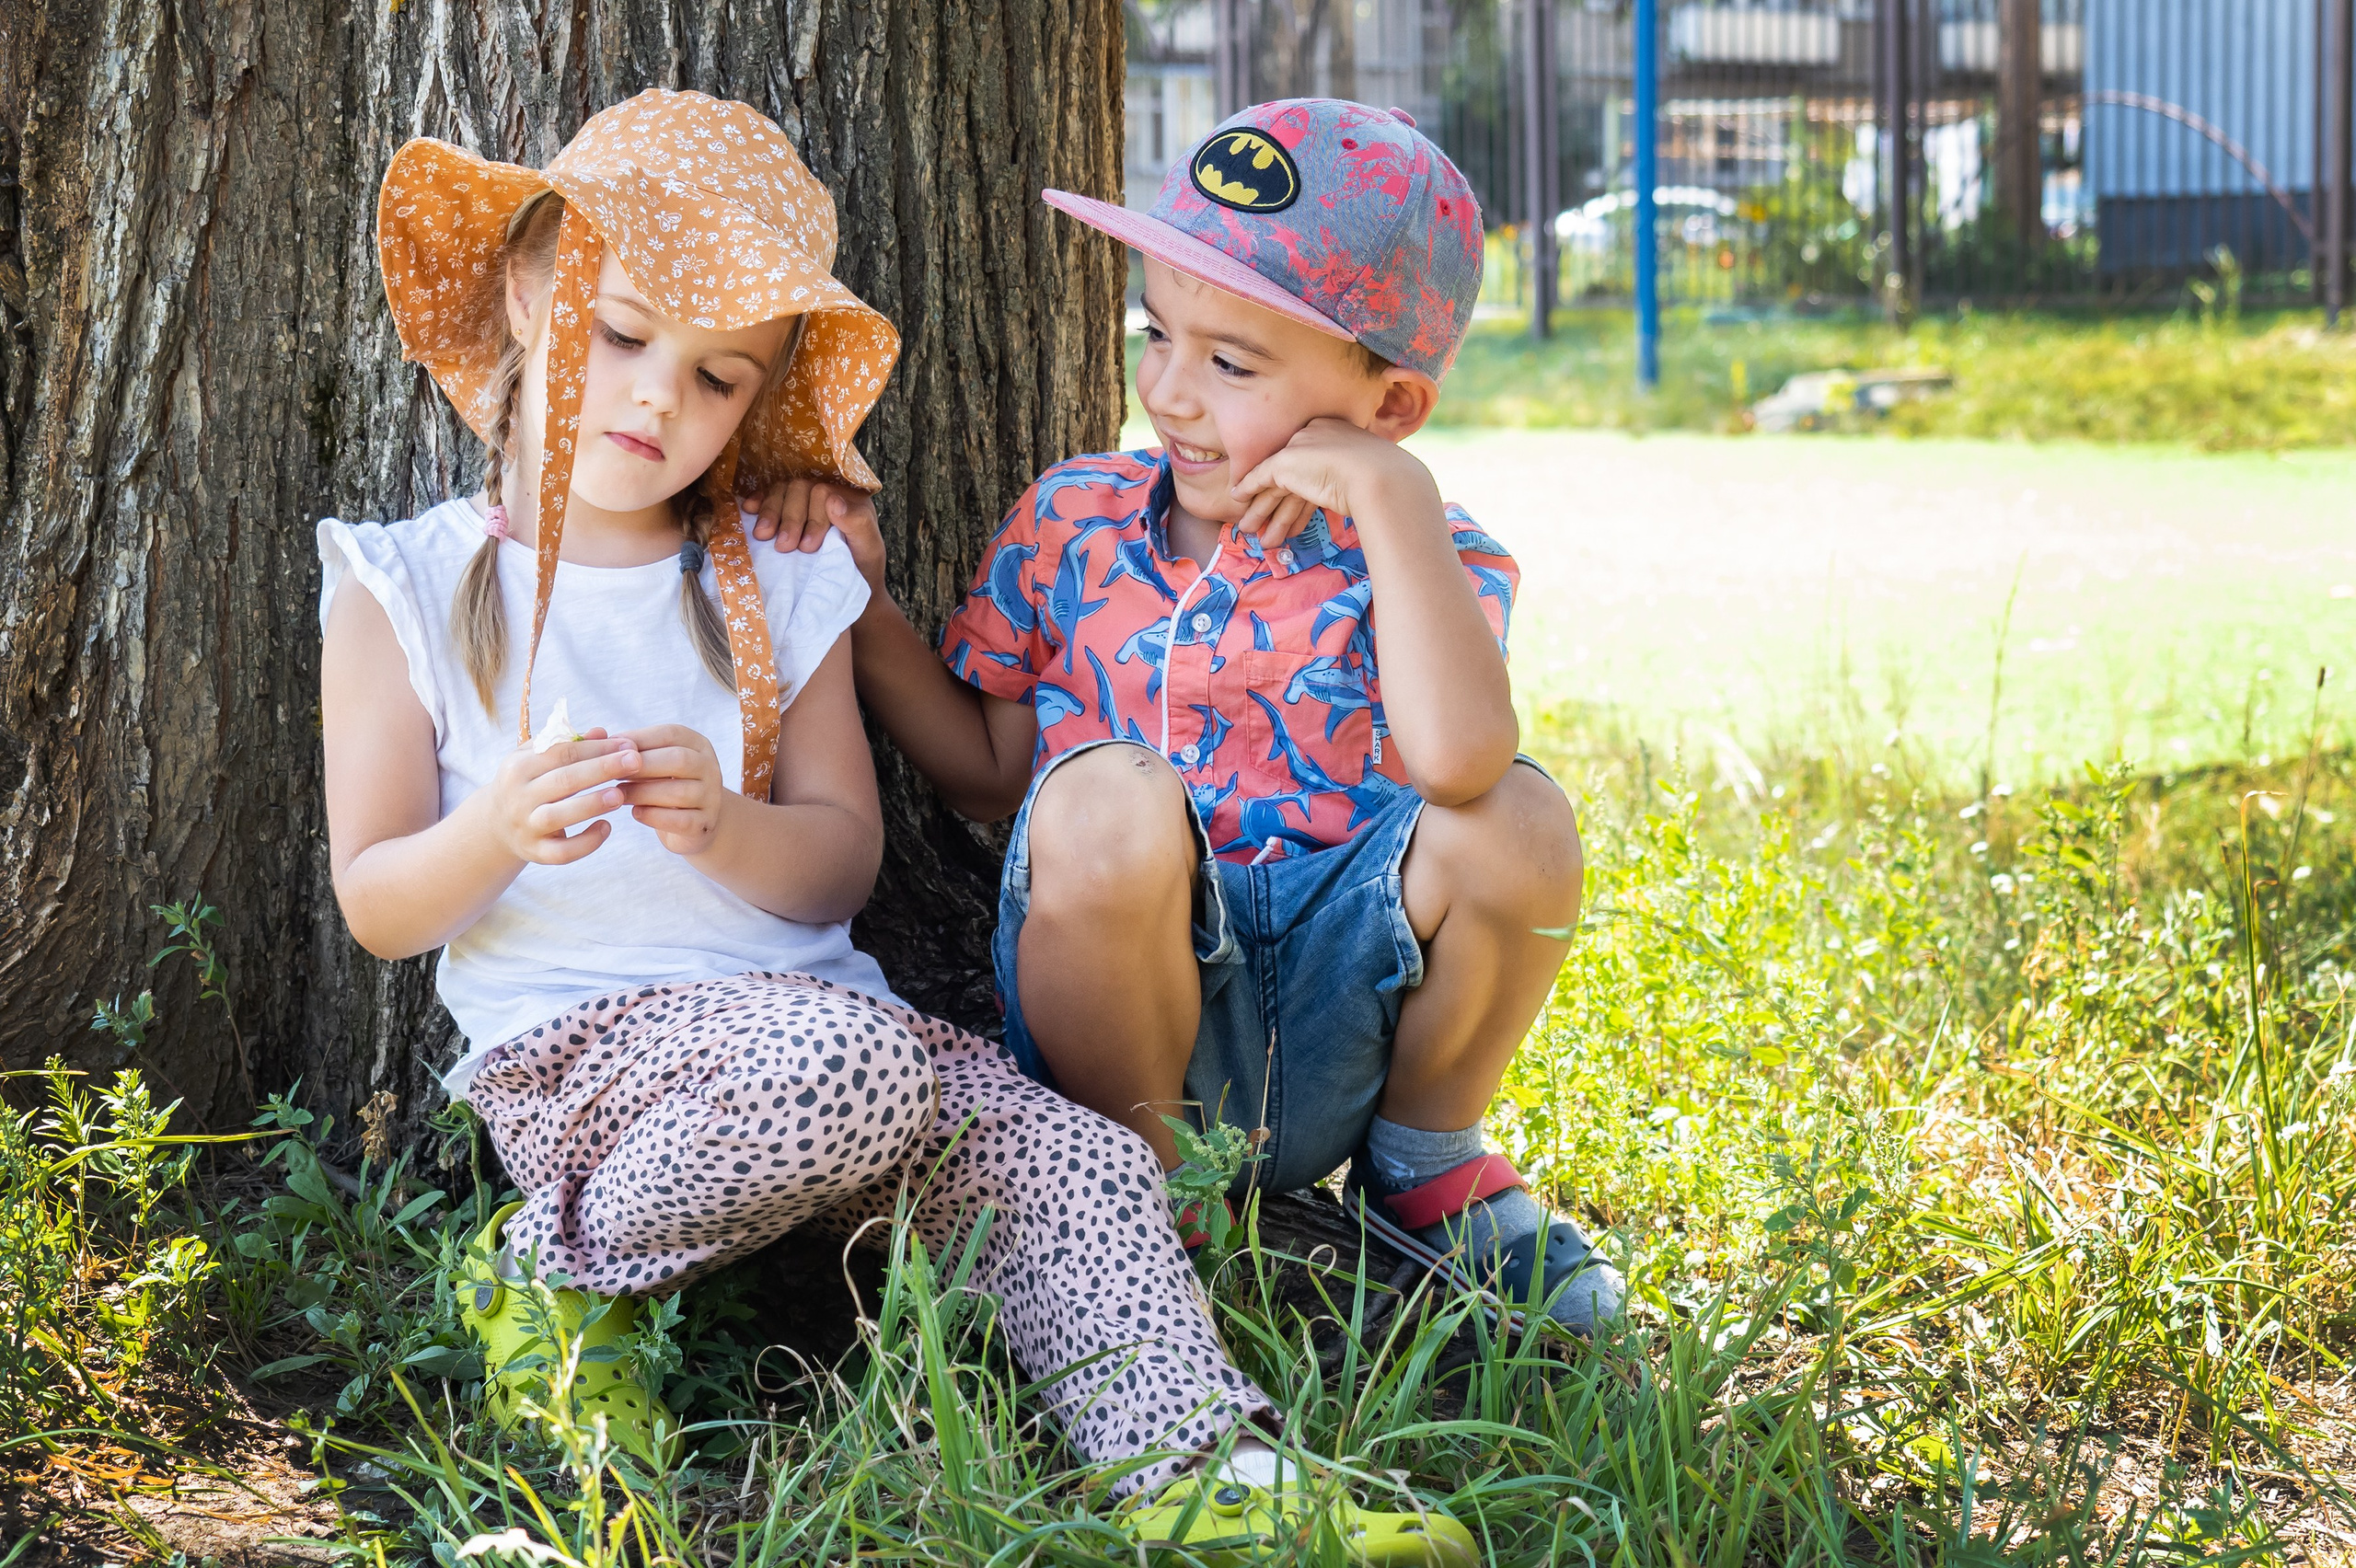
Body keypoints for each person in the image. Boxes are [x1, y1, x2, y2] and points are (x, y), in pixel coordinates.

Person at [318, 89, 1472, 1562]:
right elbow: (378, 903)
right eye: (620, 335)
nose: (657, 401)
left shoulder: (775, 582)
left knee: (1088, 1167)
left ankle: (1209, 1478)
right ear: (531, 288)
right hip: (592, 1064)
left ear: (760, 396)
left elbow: (842, 866)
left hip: (836, 1041)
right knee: (851, 1062)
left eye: (718, 376)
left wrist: (725, 829)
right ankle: (553, 1273)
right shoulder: (404, 588)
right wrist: (493, 832)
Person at [752, 98, 1625, 1333]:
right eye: (1157, 333)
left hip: (1339, 1007)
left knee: (1519, 817)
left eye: (1233, 362)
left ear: (1389, 408)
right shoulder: (1076, 521)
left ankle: (1427, 1173)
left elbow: (1460, 761)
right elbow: (991, 776)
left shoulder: (1428, 557)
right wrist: (864, 605)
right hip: (1122, 1013)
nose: (1170, 390)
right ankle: (1154, 1191)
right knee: (1104, 796)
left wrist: (1395, 504)